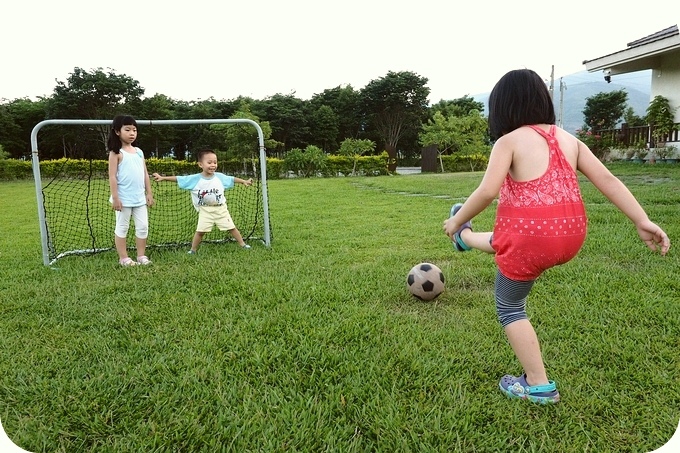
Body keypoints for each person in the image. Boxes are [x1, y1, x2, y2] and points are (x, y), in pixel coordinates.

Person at [443, 69, 671, 404]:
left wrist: (456, 219)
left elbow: (488, 190)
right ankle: (466, 239)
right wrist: (641, 219)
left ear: (501, 108)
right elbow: (608, 180)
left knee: (509, 306)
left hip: (530, 239)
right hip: (569, 237)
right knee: (508, 240)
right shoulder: (568, 139)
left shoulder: (507, 142)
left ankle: (538, 385)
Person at [152, 149, 253, 253]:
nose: (213, 165)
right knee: (200, 231)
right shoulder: (195, 179)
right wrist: (163, 178)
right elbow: (180, 179)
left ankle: (243, 244)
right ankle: (193, 250)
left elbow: (232, 179)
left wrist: (244, 181)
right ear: (200, 164)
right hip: (205, 210)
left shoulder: (220, 177)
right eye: (209, 163)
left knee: (232, 228)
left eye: (215, 162)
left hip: (221, 209)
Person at [108, 115, 155, 267]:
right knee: (122, 227)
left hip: (139, 199)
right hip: (123, 199)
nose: (132, 133)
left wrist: (149, 193)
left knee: (143, 227)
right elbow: (112, 177)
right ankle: (124, 258)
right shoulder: (116, 153)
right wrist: (115, 198)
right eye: (127, 130)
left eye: (134, 130)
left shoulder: (139, 152)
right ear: (117, 132)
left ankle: (141, 255)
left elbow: (144, 174)